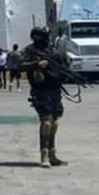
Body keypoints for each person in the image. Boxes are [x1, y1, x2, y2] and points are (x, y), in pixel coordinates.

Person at [20, 26, 67, 168]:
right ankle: (44, 155)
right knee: (46, 122)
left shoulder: (52, 49)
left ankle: (53, 154)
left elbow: (62, 64)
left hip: (55, 89)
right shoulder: (30, 50)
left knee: (54, 122)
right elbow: (20, 65)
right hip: (41, 91)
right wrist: (37, 64)